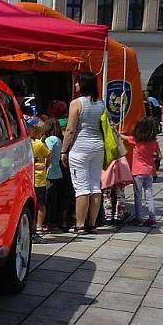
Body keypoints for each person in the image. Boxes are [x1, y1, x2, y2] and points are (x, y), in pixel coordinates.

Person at [60, 72, 104, 234]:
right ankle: (92, 223)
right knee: (95, 186)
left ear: (84, 85)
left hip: (80, 148)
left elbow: (70, 130)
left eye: (78, 83)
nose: (76, 85)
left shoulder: (76, 103)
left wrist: (64, 150)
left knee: (82, 188)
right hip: (98, 146)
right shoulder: (101, 103)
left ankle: (79, 224)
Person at [122, 117, 162, 228]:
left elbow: (122, 137)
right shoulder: (154, 142)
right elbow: (160, 155)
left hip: (137, 172)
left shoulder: (136, 140)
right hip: (149, 171)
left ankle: (138, 219)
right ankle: (152, 219)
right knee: (149, 195)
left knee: (138, 196)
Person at [43, 118, 65, 232]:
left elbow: (48, 154)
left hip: (49, 171)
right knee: (55, 199)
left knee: (48, 199)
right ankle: (55, 221)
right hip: (57, 171)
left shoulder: (49, 140)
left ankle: (50, 222)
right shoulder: (59, 139)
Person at [31, 123, 51, 239]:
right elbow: (49, 156)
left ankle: (34, 225)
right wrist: (45, 167)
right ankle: (39, 226)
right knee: (41, 204)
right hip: (40, 179)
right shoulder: (39, 144)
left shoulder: (27, 143)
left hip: (30, 179)